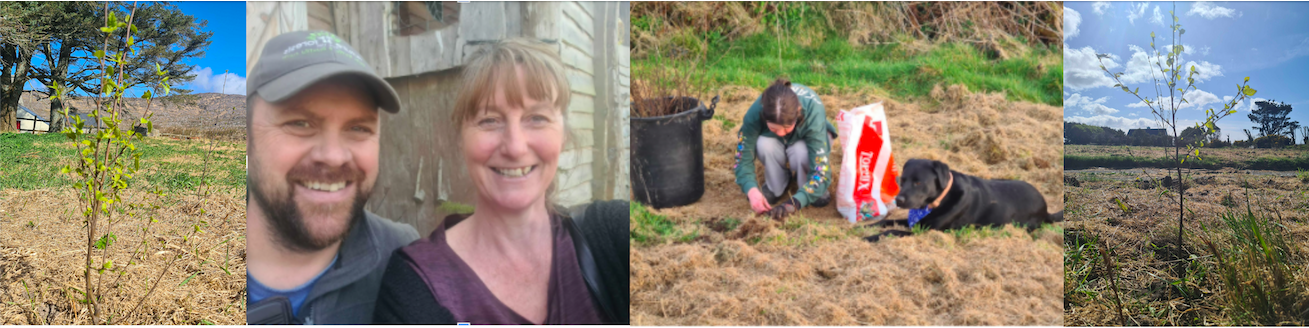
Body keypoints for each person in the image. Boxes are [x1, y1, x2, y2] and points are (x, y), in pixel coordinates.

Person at [372, 38, 629, 325]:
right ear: (460, 139)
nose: (515, 147)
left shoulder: (611, 237)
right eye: (489, 120)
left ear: (564, 135)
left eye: (537, 118)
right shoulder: (416, 285)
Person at [245, 30, 420, 324]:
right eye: (300, 123)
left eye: (358, 128)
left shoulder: (404, 259)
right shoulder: (196, 256)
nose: (334, 156)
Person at [733, 79, 836, 220]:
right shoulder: (755, 113)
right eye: (774, 128)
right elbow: (742, 159)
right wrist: (751, 190)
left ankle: (807, 186)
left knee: (802, 152)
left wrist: (793, 204)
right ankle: (776, 185)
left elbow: (821, 170)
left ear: (798, 113)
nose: (781, 133)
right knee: (764, 144)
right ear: (764, 115)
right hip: (774, 142)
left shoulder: (813, 112)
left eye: (787, 128)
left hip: (805, 140)